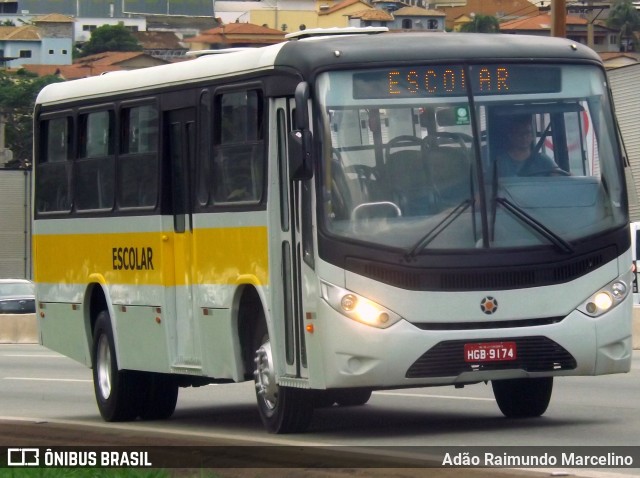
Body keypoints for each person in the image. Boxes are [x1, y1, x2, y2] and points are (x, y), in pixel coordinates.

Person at [495, 115, 561, 177]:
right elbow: (489, 185)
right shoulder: (500, 163)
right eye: (519, 133)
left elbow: (560, 181)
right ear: (510, 136)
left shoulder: (544, 160)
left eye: (527, 132)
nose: (524, 136)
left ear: (532, 136)